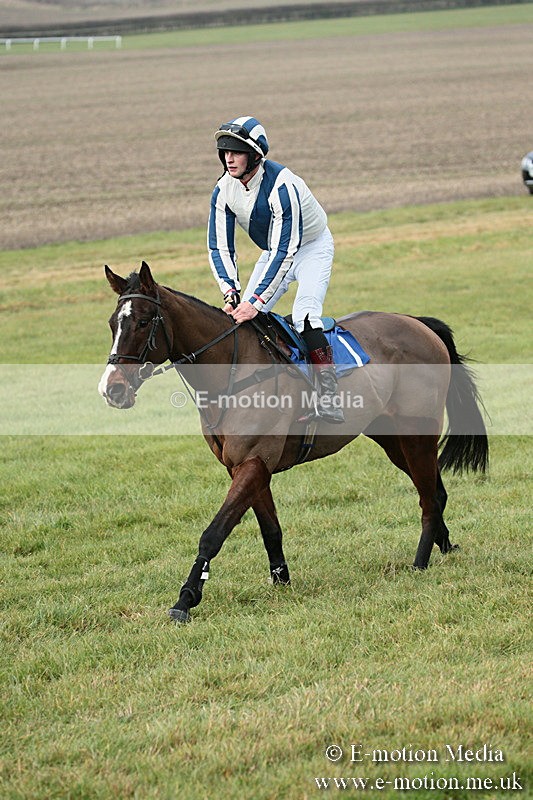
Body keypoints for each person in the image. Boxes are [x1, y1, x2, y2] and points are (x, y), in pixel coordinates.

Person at [207, 115, 344, 424]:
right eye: (224, 151)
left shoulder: (282, 186)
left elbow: (287, 251)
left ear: (255, 154)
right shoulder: (223, 190)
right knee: (242, 318)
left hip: (311, 248)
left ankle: (329, 396)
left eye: (237, 151)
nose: (229, 158)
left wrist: (254, 302)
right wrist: (231, 293)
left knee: (304, 316)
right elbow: (220, 247)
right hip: (275, 250)